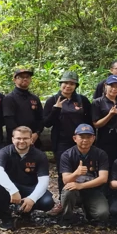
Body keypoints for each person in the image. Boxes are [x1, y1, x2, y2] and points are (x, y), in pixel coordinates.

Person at [43, 70, 92, 214]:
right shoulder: (53, 100)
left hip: (81, 141)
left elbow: (89, 122)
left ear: (76, 85)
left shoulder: (82, 100)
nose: (68, 86)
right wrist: (56, 110)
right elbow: (46, 123)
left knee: (84, 170)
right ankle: (62, 202)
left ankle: (84, 201)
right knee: (63, 172)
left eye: (71, 83)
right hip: (61, 142)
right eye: (65, 83)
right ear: (60, 84)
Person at [0, 126, 55, 230]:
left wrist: (32, 198)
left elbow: (44, 180)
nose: (21, 141)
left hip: (30, 187)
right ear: (12, 139)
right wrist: (13, 190)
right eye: (18, 138)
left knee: (47, 202)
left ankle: (25, 212)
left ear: (31, 139)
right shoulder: (4, 152)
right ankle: (5, 218)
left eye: (25, 138)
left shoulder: (40, 155)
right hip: (10, 188)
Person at [58, 124, 110, 224]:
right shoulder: (67, 155)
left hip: (93, 190)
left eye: (88, 137)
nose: (85, 140)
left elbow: (103, 178)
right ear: (75, 138)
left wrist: (81, 185)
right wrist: (76, 174)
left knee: (103, 214)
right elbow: (66, 180)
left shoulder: (100, 154)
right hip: (74, 190)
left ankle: (88, 211)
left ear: (93, 138)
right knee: (68, 190)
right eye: (81, 137)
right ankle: (67, 218)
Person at [92, 74, 117, 162]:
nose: (114, 89)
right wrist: (110, 115)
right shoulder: (97, 102)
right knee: (107, 161)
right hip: (106, 136)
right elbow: (96, 124)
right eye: (111, 86)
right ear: (105, 86)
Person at [2, 68, 44, 146]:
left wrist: (37, 133)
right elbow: (9, 121)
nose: (25, 79)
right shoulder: (9, 98)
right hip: (16, 141)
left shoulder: (34, 98)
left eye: (27, 77)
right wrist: (22, 137)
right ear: (14, 80)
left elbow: (41, 118)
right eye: (21, 77)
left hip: (33, 140)